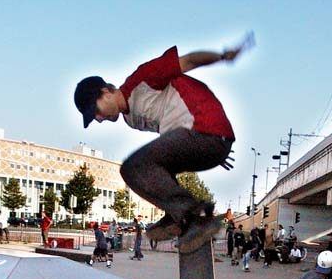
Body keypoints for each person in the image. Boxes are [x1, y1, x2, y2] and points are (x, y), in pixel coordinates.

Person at [74, 35, 251, 255]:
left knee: (132, 168)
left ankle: (194, 215)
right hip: (206, 140)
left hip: (205, 128)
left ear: (106, 91)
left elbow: (189, 61)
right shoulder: (130, 119)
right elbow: (163, 153)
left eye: (96, 111)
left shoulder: (141, 80)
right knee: (150, 169)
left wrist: (223, 56)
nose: (99, 119)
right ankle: (177, 216)